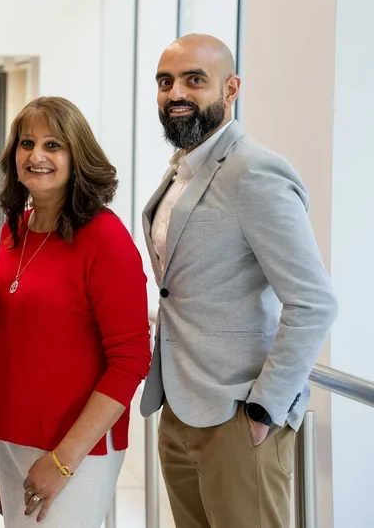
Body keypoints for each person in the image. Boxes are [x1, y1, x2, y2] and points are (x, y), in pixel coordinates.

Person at [140, 34, 338, 528]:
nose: (176, 93)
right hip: (180, 409)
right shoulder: (180, 172)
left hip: (239, 415)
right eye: (166, 82)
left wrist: (264, 410)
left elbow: (313, 302)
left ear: (231, 89)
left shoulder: (256, 173)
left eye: (194, 80)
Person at [0, 97, 151, 527]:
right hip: (10, 435)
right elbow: (9, 342)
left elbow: (131, 360)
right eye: (26, 143)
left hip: (76, 448)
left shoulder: (105, 238)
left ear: (78, 158)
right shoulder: (13, 230)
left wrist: (63, 459)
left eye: (53, 145)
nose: (36, 155)